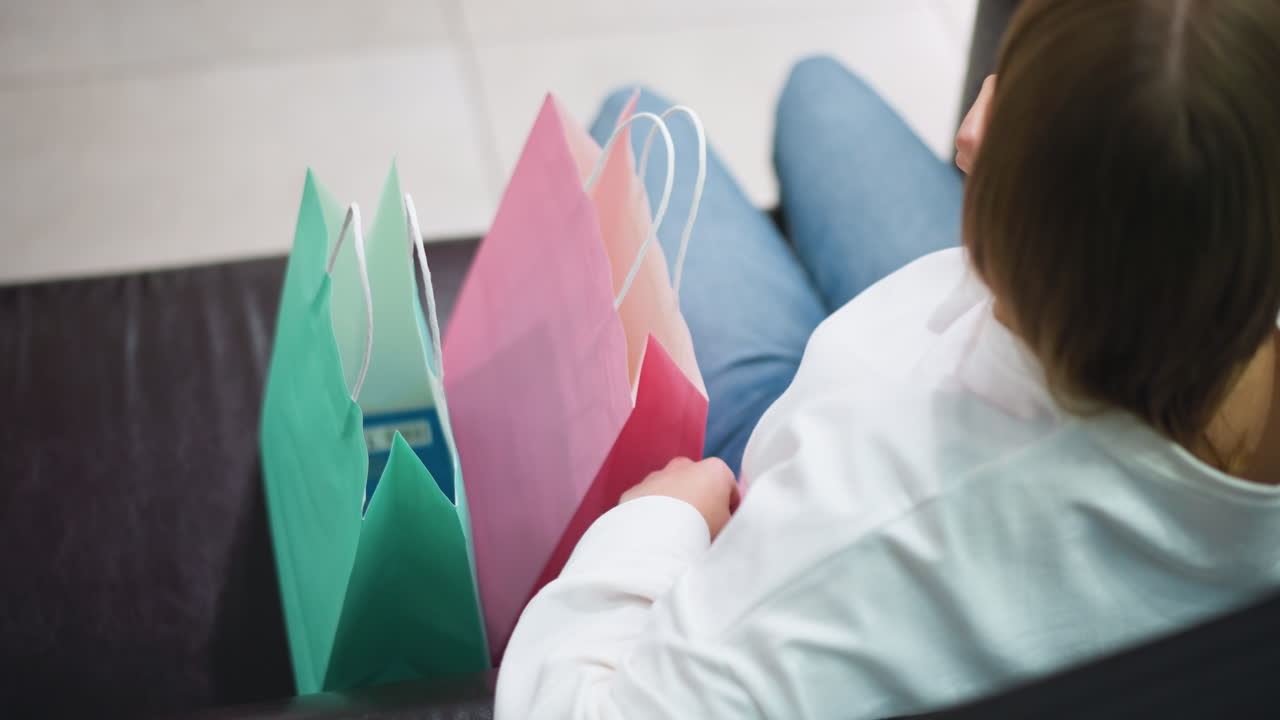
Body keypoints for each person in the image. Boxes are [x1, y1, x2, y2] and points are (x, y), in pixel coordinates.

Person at [496, 0, 1280, 717]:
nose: (971, 130)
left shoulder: (858, 547)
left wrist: (656, 525)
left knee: (642, 123)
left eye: (1018, 105)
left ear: (1036, 228)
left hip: (773, 497)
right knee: (820, 91)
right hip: (974, 355)